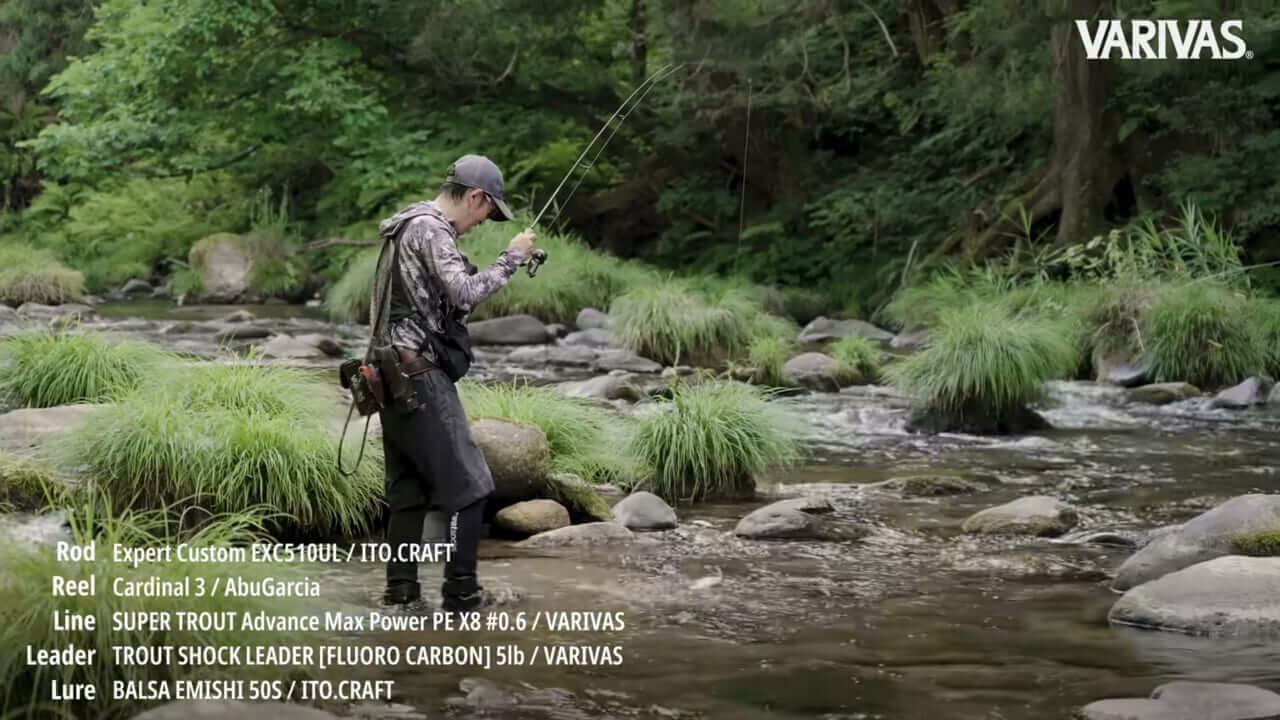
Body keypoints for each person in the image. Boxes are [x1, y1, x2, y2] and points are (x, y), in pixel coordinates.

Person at [368, 154, 534, 613]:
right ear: (475, 197)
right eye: (488, 212)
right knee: (473, 487)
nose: (485, 221)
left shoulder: (408, 224)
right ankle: (461, 595)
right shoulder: (432, 228)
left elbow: (445, 303)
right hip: (418, 374)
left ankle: (401, 596)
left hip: (390, 375)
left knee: (409, 492)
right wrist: (511, 259)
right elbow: (464, 292)